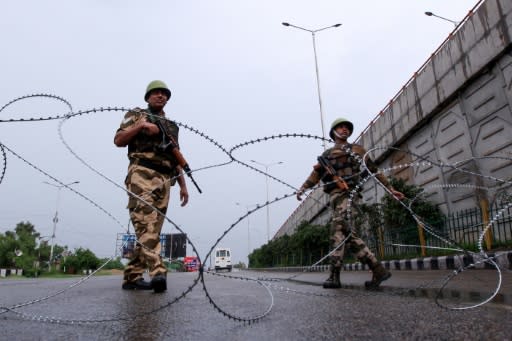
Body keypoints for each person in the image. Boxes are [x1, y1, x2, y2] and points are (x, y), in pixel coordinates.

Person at [296, 118, 404, 290]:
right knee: (347, 235)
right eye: (341, 127)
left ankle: (334, 276)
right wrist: (303, 188)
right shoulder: (327, 155)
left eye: (347, 127)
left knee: (337, 231)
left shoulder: (357, 150)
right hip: (335, 197)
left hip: (350, 195)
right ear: (334, 132)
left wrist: (391, 188)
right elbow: (315, 175)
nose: (345, 129)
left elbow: (374, 170)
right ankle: (378, 270)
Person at [114, 80, 189, 293]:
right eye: (156, 93)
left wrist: (183, 185)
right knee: (146, 223)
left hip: (164, 180)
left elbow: (175, 156)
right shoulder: (136, 114)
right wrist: (141, 126)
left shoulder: (170, 125)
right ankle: (158, 271)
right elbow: (119, 140)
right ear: (148, 97)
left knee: (151, 230)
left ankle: (132, 277)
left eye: (164, 94)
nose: (160, 96)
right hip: (141, 174)